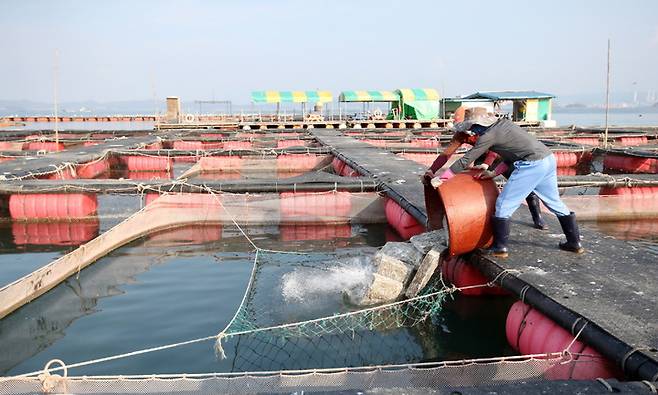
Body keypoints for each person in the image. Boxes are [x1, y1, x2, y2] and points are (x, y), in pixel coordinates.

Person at [430, 107, 584, 258]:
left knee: (503, 204)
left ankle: (499, 247)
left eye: (473, 127)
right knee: (554, 202)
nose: (472, 131)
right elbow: (511, 155)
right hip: (547, 160)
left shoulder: (488, 136)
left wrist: (442, 178)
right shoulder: (505, 125)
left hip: (532, 164)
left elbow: (466, 160)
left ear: (480, 124)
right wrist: (493, 173)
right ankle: (574, 243)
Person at [421, 110, 548, 231]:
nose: (471, 131)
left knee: (525, 185)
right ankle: (480, 214)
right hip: (480, 157)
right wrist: (432, 170)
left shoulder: (490, 129)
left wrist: (487, 165)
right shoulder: (461, 134)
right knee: (477, 184)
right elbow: (446, 154)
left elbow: (494, 149)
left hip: (502, 157)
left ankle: (537, 217)